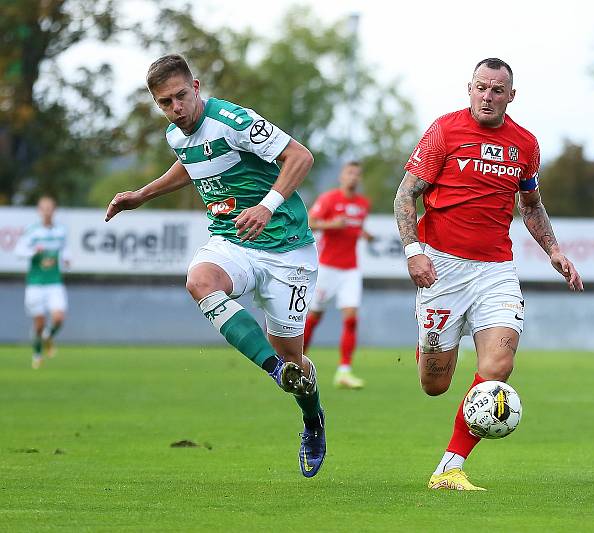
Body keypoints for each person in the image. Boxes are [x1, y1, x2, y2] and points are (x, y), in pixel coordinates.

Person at [104, 54, 326, 477]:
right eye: (165, 103)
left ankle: (312, 419)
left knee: (298, 363)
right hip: (232, 240)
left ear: (197, 86)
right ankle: (274, 370)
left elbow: (301, 157)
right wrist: (142, 195)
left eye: (181, 97)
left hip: (287, 250)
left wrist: (266, 205)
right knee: (200, 280)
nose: (177, 109)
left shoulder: (234, 120)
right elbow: (191, 164)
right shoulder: (176, 134)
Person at [393, 58, 583, 491]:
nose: (488, 96)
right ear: (470, 88)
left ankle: (449, 467)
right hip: (441, 267)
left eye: (497, 90)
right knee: (434, 385)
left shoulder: (525, 145)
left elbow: (531, 206)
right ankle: (430, 344)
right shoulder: (444, 130)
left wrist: (554, 250)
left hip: (495, 270)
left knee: (498, 365)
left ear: (511, 96)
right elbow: (406, 194)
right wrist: (413, 252)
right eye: (481, 87)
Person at [303, 161, 373, 389]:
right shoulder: (329, 199)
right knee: (314, 317)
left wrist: (364, 234)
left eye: (357, 174)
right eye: (349, 172)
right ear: (342, 176)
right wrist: (332, 224)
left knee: (351, 318)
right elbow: (310, 223)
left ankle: (344, 371)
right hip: (327, 268)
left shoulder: (363, 204)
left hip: (350, 269)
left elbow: (354, 227)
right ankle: (294, 363)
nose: (353, 177)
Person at [14, 196, 70, 369]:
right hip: (36, 283)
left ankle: (47, 336)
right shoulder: (32, 230)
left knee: (59, 318)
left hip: (54, 281)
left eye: (50, 208)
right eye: (43, 208)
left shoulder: (61, 230)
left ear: (54, 210)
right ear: (39, 211)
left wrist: (67, 259)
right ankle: (37, 354)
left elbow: (65, 250)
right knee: (38, 323)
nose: (47, 211)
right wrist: (33, 252)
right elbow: (19, 251)